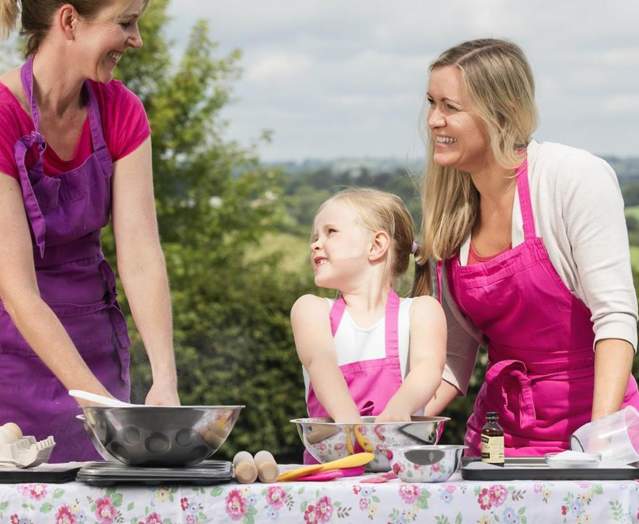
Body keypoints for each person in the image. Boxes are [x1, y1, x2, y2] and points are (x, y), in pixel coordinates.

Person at [413, 38, 639, 456]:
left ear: (500, 111)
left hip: (593, 432)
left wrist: (599, 444)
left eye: (450, 106)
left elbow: (615, 319)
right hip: (499, 440)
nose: (433, 120)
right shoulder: (450, 216)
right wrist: (395, 429)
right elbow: (452, 357)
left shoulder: (573, 178)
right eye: (431, 103)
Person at [0, 0, 179, 462]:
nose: (136, 39)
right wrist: (101, 406)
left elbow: (140, 256)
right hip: (10, 364)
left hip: (95, 353)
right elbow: (18, 291)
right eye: (125, 23)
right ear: (69, 21)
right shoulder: (1, 117)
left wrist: (164, 380)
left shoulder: (122, 110)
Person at [291, 188, 447, 460]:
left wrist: (397, 412)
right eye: (315, 236)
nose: (315, 244)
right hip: (332, 477)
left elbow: (428, 368)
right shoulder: (311, 310)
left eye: (331, 232)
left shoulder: (422, 311)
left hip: (403, 477)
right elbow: (322, 362)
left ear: (376, 245)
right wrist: (350, 427)